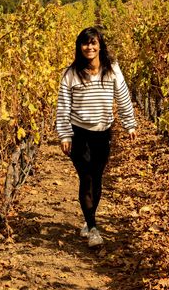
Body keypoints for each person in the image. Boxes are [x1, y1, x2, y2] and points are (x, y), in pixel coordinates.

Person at [56, 26, 136, 248]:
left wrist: (129, 124)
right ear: (79, 47)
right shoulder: (70, 74)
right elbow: (63, 106)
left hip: (103, 133)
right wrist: (64, 135)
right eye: (85, 43)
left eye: (93, 43)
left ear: (100, 45)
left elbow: (123, 97)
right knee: (87, 178)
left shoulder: (112, 70)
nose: (89, 47)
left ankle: (88, 218)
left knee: (97, 177)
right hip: (79, 133)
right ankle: (92, 228)